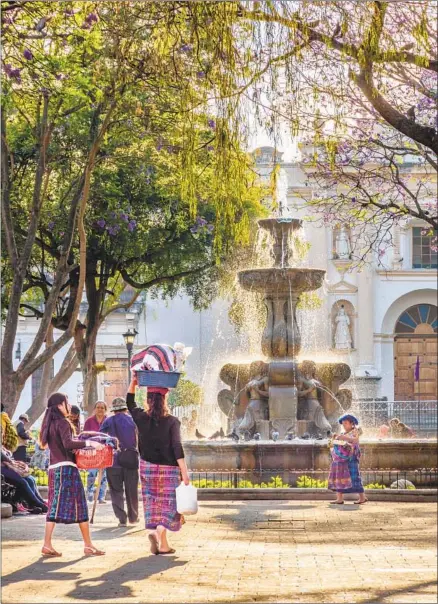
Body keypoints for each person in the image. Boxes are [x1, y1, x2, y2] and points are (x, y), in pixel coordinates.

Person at [127, 375, 190, 555]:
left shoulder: (140, 417)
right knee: (169, 505)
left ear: (148, 400)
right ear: (164, 400)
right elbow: (177, 447)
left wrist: (133, 382)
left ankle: (163, 546)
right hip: (168, 470)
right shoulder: (172, 421)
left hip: (147, 468)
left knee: (153, 503)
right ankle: (157, 532)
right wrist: (184, 473)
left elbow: (130, 403)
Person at [39, 392, 105, 557]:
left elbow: (64, 444)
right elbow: (68, 444)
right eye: (67, 402)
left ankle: (48, 544)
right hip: (67, 470)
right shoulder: (62, 422)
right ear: (60, 405)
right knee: (79, 504)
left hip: (54, 469)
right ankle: (87, 545)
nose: (69, 405)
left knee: (54, 505)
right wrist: (90, 443)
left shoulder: (50, 424)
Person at [101, 397, 139, 527]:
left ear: (114, 409)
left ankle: (122, 519)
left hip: (113, 460)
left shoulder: (108, 421)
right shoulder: (133, 421)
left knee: (116, 490)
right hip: (131, 458)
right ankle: (133, 517)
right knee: (131, 490)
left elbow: (100, 439)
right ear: (125, 408)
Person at [328, 413, 367, 505]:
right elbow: (336, 443)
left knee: (354, 476)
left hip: (351, 458)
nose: (344, 425)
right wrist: (334, 440)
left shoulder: (355, 431)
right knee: (340, 476)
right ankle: (339, 498)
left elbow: (355, 440)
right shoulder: (343, 433)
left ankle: (362, 497)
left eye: (346, 423)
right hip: (341, 459)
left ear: (352, 424)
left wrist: (343, 438)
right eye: (343, 423)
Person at [1, 446, 47, 513]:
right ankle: (37, 503)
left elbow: (7, 454)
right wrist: (9, 460)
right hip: (2, 469)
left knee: (30, 479)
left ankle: (33, 505)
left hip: (7, 466)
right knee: (22, 482)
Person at [83, 401, 108, 504]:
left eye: (102, 408)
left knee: (104, 475)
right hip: (92, 452)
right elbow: (84, 435)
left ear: (105, 409)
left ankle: (101, 497)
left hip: (105, 451)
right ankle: (89, 494)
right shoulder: (89, 421)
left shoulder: (108, 420)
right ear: (95, 409)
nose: (100, 409)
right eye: (98, 407)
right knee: (92, 473)